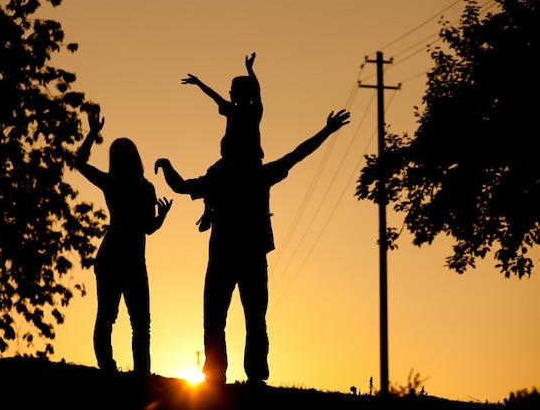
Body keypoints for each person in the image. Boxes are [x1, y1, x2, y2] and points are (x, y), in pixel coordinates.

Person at [154, 109, 351, 386]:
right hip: (251, 256)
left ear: (226, 150)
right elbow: (297, 154)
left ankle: (217, 375)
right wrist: (326, 131)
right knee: (253, 319)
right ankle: (254, 375)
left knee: (218, 319)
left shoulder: (221, 175)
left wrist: (166, 166)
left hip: (225, 256)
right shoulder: (256, 174)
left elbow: (181, 186)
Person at [76, 110, 172, 375]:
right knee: (140, 323)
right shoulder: (145, 188)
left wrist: (93, 134)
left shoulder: (112, 183)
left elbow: (80, 163)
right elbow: (148, 228)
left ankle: (108, 368)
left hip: (111, 256)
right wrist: (162, 217)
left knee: (107, 316)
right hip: (131, 261)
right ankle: (140, 374)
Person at [182, 52, 263, 231]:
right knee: (214, 173)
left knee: (214, 173)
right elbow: (215, 96)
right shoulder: (232, 110)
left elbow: (257, 91)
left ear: (243, 93)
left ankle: (208, 212)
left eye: (233, 90)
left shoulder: (253, 111)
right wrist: (199, 83)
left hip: (246, 161)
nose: (230, 92)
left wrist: (250, 70)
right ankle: (208, 211)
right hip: (230, 160)